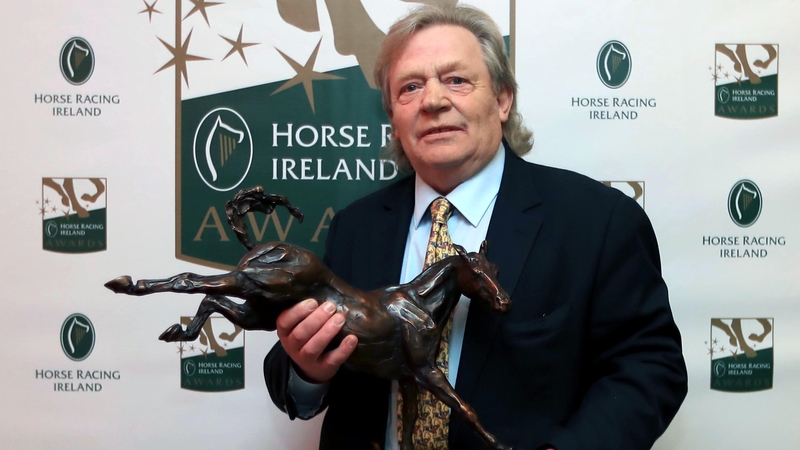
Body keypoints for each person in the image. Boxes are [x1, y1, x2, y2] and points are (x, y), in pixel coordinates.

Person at [264, 4, 687, 450]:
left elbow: (649, 368)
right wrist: (308, 369)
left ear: (502, 100)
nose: (432, 101)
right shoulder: (356, 227)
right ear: (394, 119)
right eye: (410, 87)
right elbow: (291, 375)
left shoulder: (597, 221)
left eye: (456, 80)